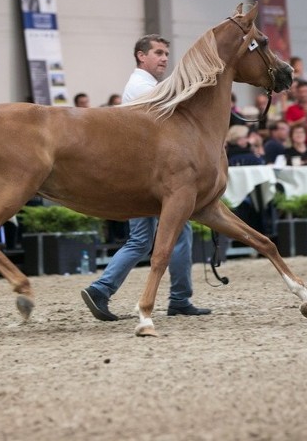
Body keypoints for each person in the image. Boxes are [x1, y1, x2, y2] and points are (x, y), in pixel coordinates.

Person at [81, 34, 211, 320]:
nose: (165, 58)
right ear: (142, 56)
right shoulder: (142, 86)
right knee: (167, 235)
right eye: (159, 53)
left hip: (146, 174)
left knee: (145, 239)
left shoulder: (148, 85)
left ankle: (104, 289)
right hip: (147, 176)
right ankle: (174, 298)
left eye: (166, 53)